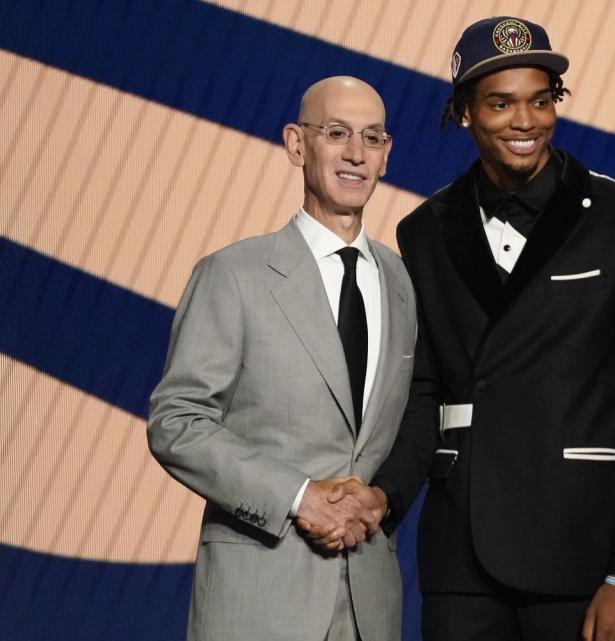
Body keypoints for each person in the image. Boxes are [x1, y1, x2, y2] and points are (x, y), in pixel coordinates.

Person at [337, 16, 615, 641]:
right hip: (461, 553)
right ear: (465, 113)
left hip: (578, 549)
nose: (526, 121)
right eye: (502, 103)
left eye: (541, 100)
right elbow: (424, 392)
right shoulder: (426, 231)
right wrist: (384, 495)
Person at [147, 76, 416, 641]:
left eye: (371, 138)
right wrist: (298, 497)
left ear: (387, 155)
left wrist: (378, 501)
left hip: (369, 601)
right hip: (259, 598)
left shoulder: (401, 281)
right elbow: (177, 422)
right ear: (297, 144)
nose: (355, 153)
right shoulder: (232, 274)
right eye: (336, 133)